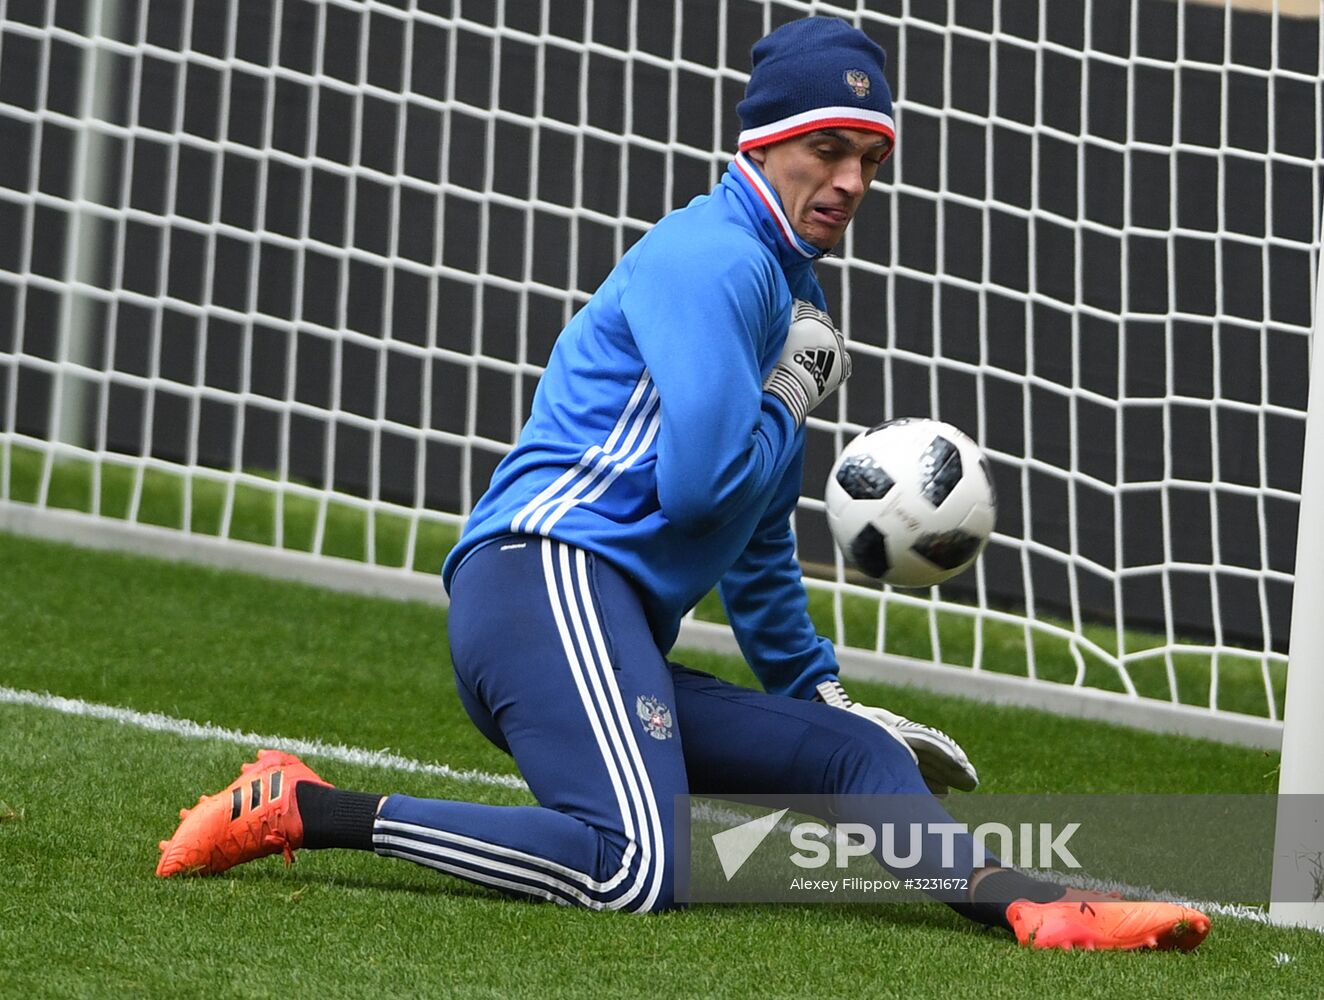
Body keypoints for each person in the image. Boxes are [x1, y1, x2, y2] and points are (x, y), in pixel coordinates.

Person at [156, 16, 1208, 952]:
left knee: (849, 755)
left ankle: (1030, 905)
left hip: (595, 614)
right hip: (543, 580)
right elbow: (702, 485)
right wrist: (792, 393)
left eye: (870, 158)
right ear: (763, 147)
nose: (849, 179)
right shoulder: (717, 261)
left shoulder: (786, 282)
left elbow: (747, 533)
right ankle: (303, 805)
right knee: (633, 868)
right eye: (826, 148)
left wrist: (818, 691)